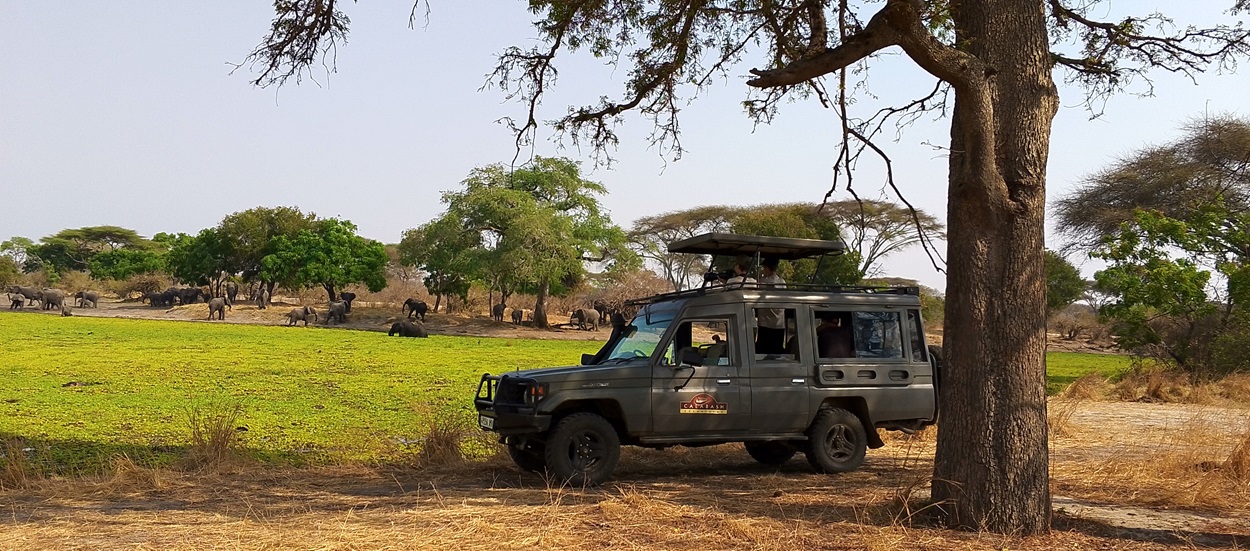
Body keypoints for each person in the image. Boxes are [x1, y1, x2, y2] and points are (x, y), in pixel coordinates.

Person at [754, 258, 787, 354]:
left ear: (768, 268)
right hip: (779, 324)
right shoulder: (782, 282)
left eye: (764, 268)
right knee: (777, 352)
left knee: (762, 352)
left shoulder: (762, 282)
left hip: (765, 323)